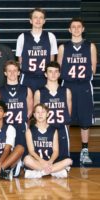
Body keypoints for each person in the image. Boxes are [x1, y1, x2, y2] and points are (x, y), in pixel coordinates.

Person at [57, 17, 97, 164]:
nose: (76, 29)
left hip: (84, 86)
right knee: (65, 119)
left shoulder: (90, 46)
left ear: (83, 29)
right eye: (73, 27)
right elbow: (59, 68)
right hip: (67, 85)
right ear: (69, 30)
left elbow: (93, 68)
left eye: (79, 26)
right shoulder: (63, 47)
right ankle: (64, 150)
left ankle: (84, 151)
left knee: (85, 120)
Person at [0, 60, 33, 176]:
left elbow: (30, 109)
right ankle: (8, 167)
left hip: (21, 125)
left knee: (21, 150)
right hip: (6, 127)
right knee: (6, 151)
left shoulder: (26, 90)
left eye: (15, 70)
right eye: (9, 71)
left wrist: (24, 121)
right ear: (5, 73)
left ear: (19, 72)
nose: (12, 73)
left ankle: (16, 166)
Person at [34, 61, 72, 161]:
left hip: (62, 129)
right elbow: (36, 115)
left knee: (66, 161)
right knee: (44, 159)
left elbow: (68, 114)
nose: (53, 74)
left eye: (56, 72)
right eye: (50, 71)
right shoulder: (39, 93)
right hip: (46, 129)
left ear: (59, 74)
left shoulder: (66, 91)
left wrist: (66, 130)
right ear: (45, 74)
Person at [24, 104, 72, 179]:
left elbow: (56, 151)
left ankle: (40, 172)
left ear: (47, 114)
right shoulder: (29, 131)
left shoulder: (54, 130)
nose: (40, 114)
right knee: (27, 159)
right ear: (34, 115)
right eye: (38, 112)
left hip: (50, 162)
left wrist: (50, 162)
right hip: (37, 162)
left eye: (43, 112)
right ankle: (54, 171)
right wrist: (42, 161)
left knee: (69, 161)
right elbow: (31, 151)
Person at [16, 8, 58, 92]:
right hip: (27, 77)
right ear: (30, 20)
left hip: (44, 77)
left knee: (44, 104)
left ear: (44, 21)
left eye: (41, 17)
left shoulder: (50, 36)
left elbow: (51, 60)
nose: (38, 20)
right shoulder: (22, 37)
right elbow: (20, 60)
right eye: (35, 17)